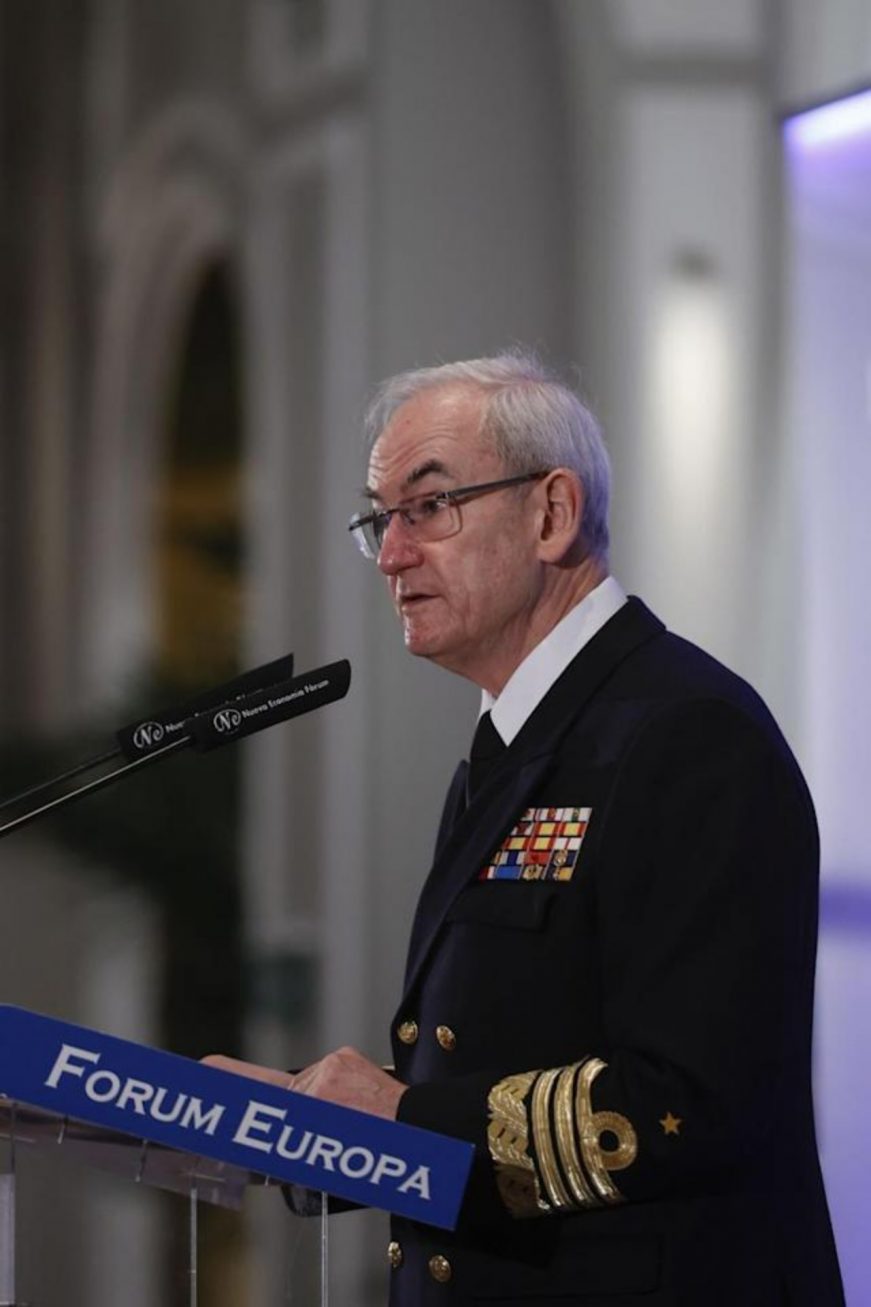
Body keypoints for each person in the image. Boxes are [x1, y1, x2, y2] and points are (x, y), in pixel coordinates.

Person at [208, 352, 844, 1305]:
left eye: (426, 507)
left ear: (551, 513)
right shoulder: (516, 744)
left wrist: (408, 1117)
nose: (390, 555)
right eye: (379, 520)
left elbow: (690, 1103)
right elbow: (519, 1050)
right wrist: (320, 1116)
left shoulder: (686, 733)